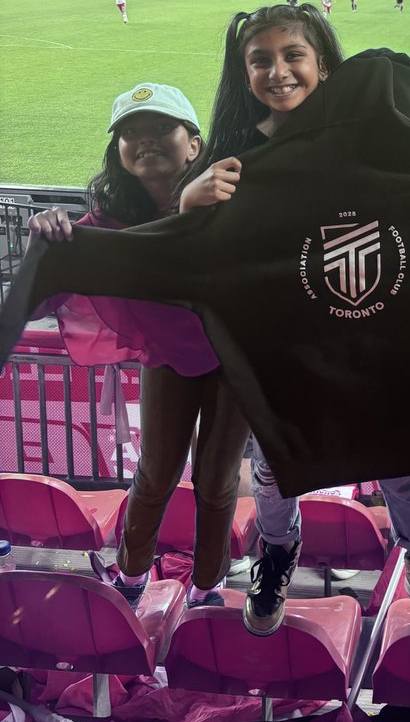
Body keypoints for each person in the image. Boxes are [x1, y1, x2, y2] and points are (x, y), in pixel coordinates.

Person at [180, 5, 410, 645]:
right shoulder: (236, 155)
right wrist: (188, 201)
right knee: (273, 461)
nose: (278, 71)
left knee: (397, 455)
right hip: (278, 343)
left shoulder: (365, 138)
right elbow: (197, 252)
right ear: (243, 72)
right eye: (261, 60)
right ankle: (278, 549)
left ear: (325, 66)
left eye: (293, 56)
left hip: (367, 330)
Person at [26, 84, 249, 609]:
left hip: (235, 359)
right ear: (118, 152)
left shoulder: (232, 198)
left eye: (161, 128)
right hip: (168, 360)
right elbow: (39, 301)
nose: (145, 140)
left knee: (217, 482)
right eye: (130, 132)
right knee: (155, 475)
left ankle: (208, 586)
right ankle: (131, 574)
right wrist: (44, 245)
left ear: (194, 144)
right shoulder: (106, 224)